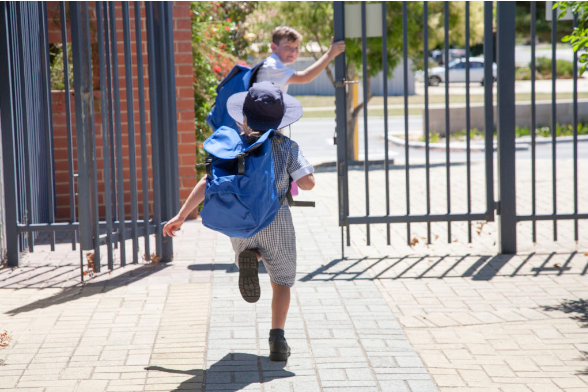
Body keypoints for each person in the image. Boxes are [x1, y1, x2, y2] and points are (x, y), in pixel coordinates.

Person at [163, 81, 315, 362]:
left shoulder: (232, 144)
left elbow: (208, 181)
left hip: (241, 221)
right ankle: (277, 339)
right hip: (276, 219)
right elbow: (307, 184)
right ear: (281, 118)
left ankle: (252, 256)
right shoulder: (287, 146)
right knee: (281, 281)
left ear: (243, 117)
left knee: (250, 250)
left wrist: (181, 215)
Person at [256, 25, 346, 94]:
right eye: (287, 46)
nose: (293, 52)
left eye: (297, 47)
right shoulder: (272, 66)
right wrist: (330, 54)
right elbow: (305, 77)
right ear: (273, 47)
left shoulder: (274, 64)